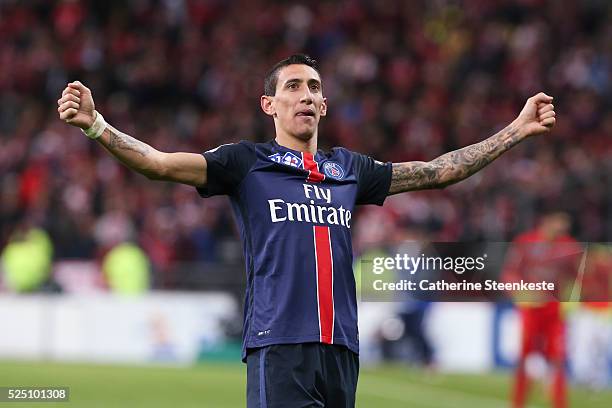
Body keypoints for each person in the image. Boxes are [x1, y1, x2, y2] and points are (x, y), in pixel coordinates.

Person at [57, 54, 556, 407]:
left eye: (315, 87)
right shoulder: (245, 163)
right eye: (293, 87)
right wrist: (98, 125)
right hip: (279, 345)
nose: (306, 95)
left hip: (341, 348)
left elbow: (440, 170)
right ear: (268, 105)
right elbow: (160, 164)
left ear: (324, 105)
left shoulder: (349, 169)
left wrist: (516, 129)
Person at [502, 212, 582, 408]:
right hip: (530, 309)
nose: (563, 228)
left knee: (557, 358)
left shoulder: (570, 246)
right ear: (547, 221)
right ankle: (517, 402)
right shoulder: (525, 242)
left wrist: (572, 299)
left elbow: (577, 277)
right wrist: (521, 292)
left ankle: (559, 403)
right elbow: (509, 273)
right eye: (560, 222)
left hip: (554, 311)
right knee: (524, 358)